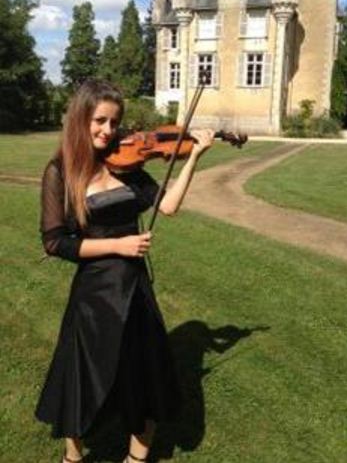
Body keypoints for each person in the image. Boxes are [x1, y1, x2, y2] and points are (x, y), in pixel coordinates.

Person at [35, 79, 214, 463]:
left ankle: (136, 458)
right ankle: (73, 456)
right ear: (81, 118)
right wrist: (118, 245)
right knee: (81, 375)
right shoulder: (60, 172)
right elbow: (55, 241)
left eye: (115, 123)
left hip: (134, 290)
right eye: (100, 121)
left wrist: (195, 156)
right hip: (93, 294)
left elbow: (167, 207)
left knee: (142, 376)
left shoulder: (130, 167)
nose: (108, 131)